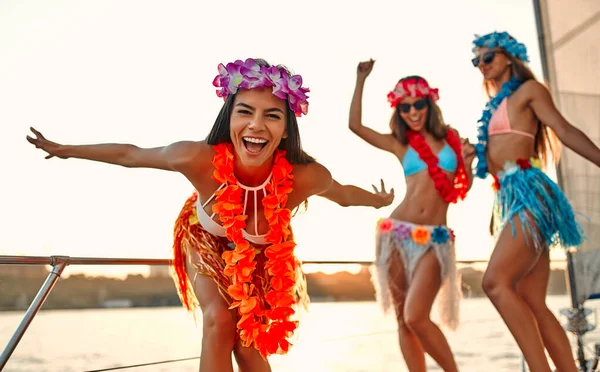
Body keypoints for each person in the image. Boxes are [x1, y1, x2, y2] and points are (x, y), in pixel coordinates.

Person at [26, 57, 395, 372]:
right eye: (244, 111)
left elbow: (343, 195)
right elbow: (131, 154)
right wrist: (66, 149)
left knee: (250, 345)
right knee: (220, 320)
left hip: (262, 254)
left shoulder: (306, 176)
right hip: (204, 238)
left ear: (285, 130)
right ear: (228, 118)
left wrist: (377, 202)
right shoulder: (195, 159)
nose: (256, 124)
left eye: (272, 116)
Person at [469, 31, 600, 372]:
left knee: (494, 282)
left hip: (530, 193)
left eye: (488, 57)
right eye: (476, 60)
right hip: (510, 199)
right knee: (532, 301)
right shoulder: (497, 103)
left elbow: (564, 130)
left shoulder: (529, 91)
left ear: (509, 56)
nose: (481, 64)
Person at [349, 59, 473, 372]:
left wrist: (469, 165)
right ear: (398, 112)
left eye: (418, 104)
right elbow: (356, 126)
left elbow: (461, 187)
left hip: (435, 238)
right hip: (396, 232)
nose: (413, 112)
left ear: (430, 104)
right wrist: (361, 79)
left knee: (417, 315)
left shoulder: (452, 140)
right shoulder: (400, 144)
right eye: (405, 108)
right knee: (404, 320)